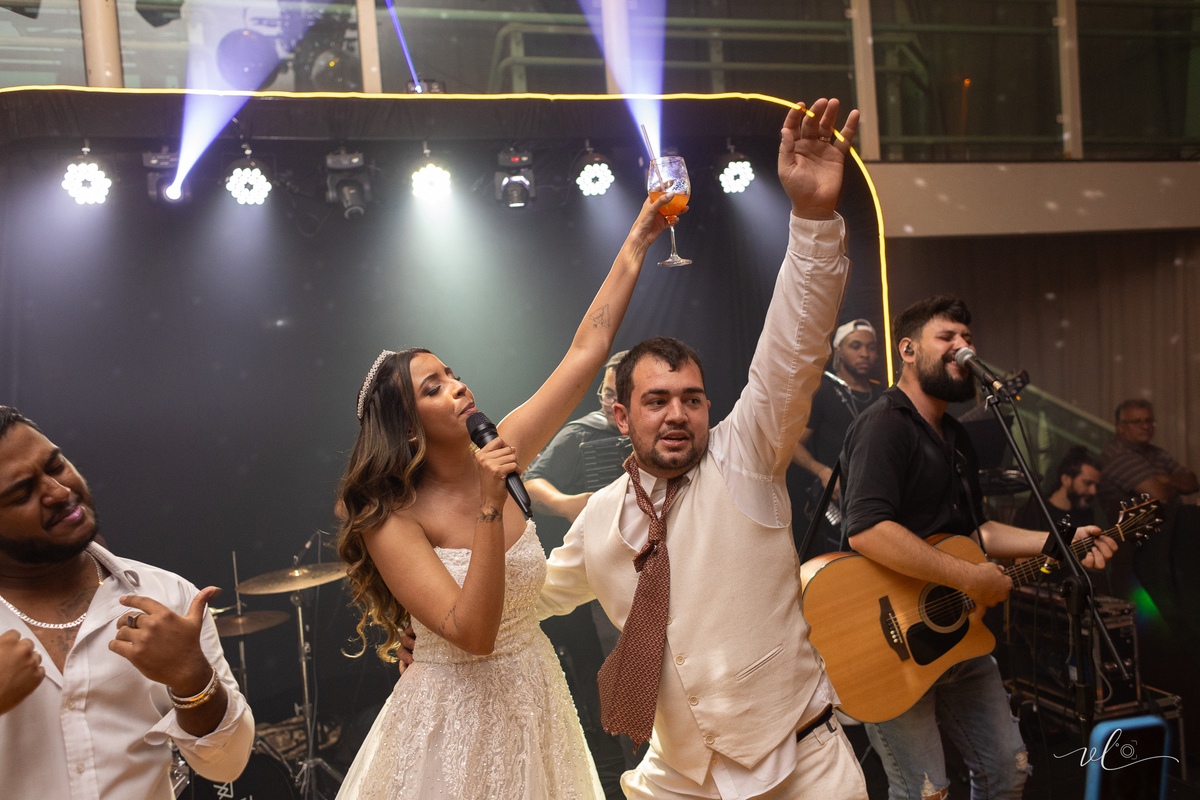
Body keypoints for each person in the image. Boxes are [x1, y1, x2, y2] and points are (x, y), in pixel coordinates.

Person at [536, 98, 870, 800]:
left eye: (692, 398)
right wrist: (436, 633)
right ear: (621, 417)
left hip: (805, 767)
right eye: (657, 402)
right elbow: (526, 599)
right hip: (679, 781)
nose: (678, 414)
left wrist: (812, 220)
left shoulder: (746, 453)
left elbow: (796, 342)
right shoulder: (599, 518)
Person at [333, 192, 671, 799]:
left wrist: (638, 241)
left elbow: (586, 352)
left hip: (534, 695)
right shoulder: (390, 519)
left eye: (452, 373)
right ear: (408, 425)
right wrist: (491, 504)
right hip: (449, 718)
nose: (459, 387)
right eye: (434, 388)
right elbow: (473, 633)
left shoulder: (503, 444)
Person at [838, 295, 1117, 800]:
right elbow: (867, 529)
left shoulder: (957, 437)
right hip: (890, 642)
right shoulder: (884, 426)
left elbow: (979, 533)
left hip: (957, 633)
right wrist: (969, 577)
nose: (963, 348)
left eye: (967, 339)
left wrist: (1065, 540)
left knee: (1007, 771)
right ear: (907, 349)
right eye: (947, 338)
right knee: (928, 790)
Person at [0, 406, 254, 799]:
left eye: (56, 464)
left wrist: (192, 679)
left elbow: (227, 764)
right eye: (22, 492)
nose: (59, 491)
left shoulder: (167, 596)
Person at [525, 350, 634, 798]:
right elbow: (532, 477)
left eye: (618, 394)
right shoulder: (583, 435)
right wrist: (566, 503)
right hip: (609, 570)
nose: (610, 404)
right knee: (626, 671)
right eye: (607, 394)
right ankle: (636, 772)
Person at [790, 317, 882, 555]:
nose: (865, 353)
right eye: (856, 346)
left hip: (880, 499)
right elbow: (793, 445)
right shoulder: (823, 391)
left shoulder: (884, 394)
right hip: (838, 505)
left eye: (871, 347)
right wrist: (822, 472)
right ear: (838, 351)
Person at [1097, 398, 1198, 519]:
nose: (1145, 426)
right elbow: (1159, 495)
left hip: (1169, 524)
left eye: (1149, 421)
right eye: (1137, 422)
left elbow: (1193, 483)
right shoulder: (1116, 454)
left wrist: (1165, 480)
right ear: (1120, 427)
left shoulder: (1157, 452)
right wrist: (1175, 485)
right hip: (1135, 531)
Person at [1011, 444, 1101, 531]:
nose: (1093, 491)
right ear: (1066, 479)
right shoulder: (1033, 512)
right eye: (1087, 483)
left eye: (1096, 485)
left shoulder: (1086, 514)